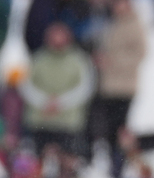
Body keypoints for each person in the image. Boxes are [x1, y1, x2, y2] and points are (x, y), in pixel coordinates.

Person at [19, 21, 96, 158]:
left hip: (68, 122)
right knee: (37, 160)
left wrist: (60, 103)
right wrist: (44, 102)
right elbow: (25, 84)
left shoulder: (79, 60)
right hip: (40, 120)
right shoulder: (37, 59)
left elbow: (85, 88)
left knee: (67, 160)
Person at [93, 0, 147, 175]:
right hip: (108, 86)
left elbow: (140, 54)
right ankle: (112, 165)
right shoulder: (112, 22)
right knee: (107, 130)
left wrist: (113, 60)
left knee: (120, 131)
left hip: (124, 87)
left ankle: (119, 166)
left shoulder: (135, 24)